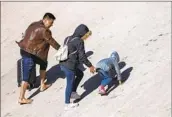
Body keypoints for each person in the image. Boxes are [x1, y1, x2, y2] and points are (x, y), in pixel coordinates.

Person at [16, 13, 61, 104]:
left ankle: (42, 85)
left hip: (25, 49)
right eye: (51, 22)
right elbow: (51, 41)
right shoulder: (44, 30)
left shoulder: (34, 24)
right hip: (30, 53)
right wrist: (61, 49)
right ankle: (21, 98)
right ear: (46, 20)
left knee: (43, 63)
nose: (52, 25)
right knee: (26, 76)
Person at [60, 24, 95, 110]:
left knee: (80, 74)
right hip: (70, 67)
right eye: (85, 34)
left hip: (63, 64)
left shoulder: (68, 38)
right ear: (82, 33)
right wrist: (90, 66)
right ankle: (67, 103)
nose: (85, 37)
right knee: (69, 83)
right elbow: (82, 57)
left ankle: (73, 92)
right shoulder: (79, 41)